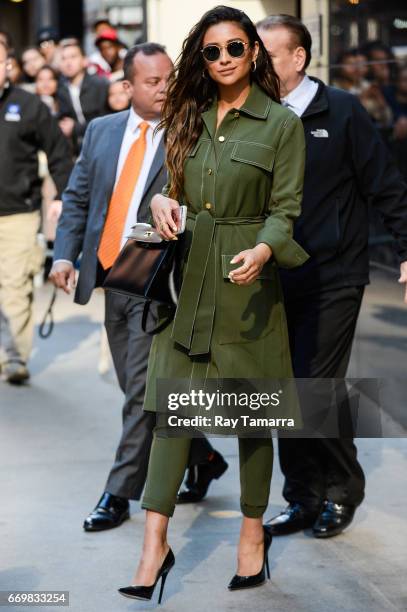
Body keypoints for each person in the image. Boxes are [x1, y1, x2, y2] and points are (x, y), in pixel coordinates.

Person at [118, 6, 308, 603]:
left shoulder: (281, 124)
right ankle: (154, 546)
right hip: (188, 284)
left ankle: (252, 537)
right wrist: (160, 205)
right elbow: (168, 190)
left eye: (234, 47)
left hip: (247, 284)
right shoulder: (187, 117)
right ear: (200, 59)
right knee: (173, 416)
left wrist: (264, 248)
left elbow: (286, 209)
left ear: (253, 51)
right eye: (211, 51)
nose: (223, 59)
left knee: (254, 422)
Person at [50, 43, 223, 533]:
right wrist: (66, 254)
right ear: (127, 86)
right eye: (152, 81)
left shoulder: (189, 132)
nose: (165, 88)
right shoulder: (101, 131)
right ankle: (204, 455)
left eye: (169, 77)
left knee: (140, 393)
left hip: (159, 281)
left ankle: (119, 491)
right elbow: (78, 196)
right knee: (138, 388)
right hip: (111, 279)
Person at [257, 14, 407, 539]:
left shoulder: (340, 111)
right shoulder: (253, 114)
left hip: (334, 273)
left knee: (312, 384)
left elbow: (386, 185)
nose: (254, 64)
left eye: (266, 55)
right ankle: (301, 496)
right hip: (270, 276)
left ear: (298, 58)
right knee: (282, 388)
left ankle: (342, 488)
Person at [0, 41, 72, 384]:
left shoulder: (28, 106)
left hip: (18, 213)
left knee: (13, 286)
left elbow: (59, 152)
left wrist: (61, 195)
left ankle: (15, 358)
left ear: (9, 66)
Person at [57, 39, 109, 156]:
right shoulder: (61, 89)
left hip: (104, 147)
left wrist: (76, 128)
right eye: (63, 59)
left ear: (84, 61)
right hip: (77, 152)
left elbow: (106, 119)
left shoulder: (99, 85)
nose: (68, 62)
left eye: (73, 57)